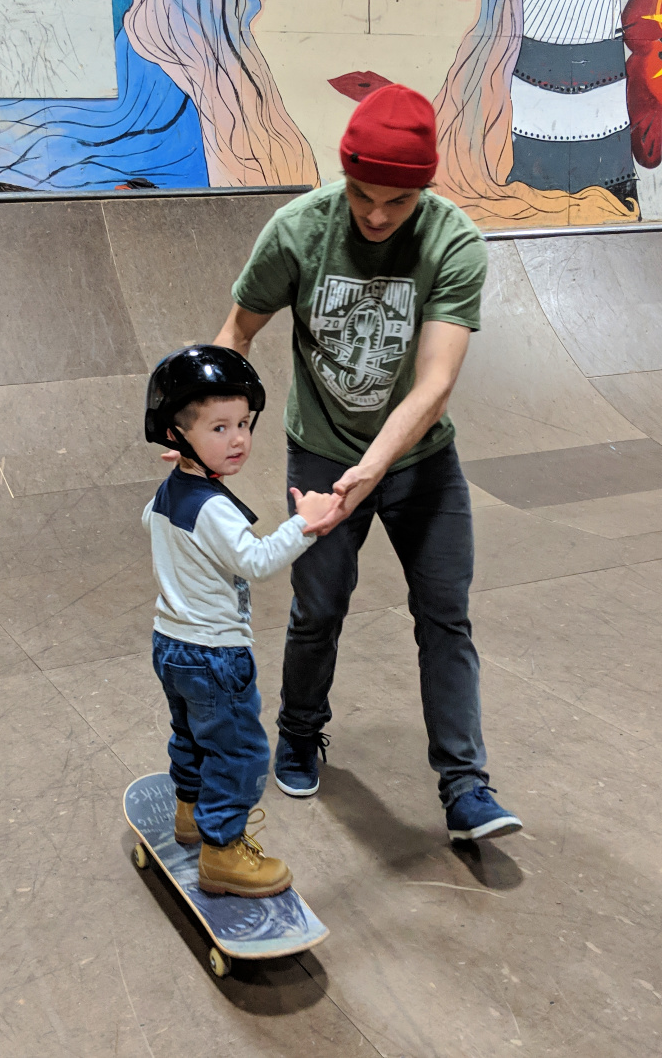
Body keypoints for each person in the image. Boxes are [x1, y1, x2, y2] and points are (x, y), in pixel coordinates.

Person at [213, 83, 522, 842]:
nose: (377, 214)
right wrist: (201, 437)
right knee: (318, 609)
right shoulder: (298, 231)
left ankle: (466, 786)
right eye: (362, 194)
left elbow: (436, 382)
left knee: (445, 615)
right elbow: (235, 334)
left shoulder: (453, 241)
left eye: (397, 200)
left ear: (425, 188)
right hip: (319, 450)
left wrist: (377, 465)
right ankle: (299, 729)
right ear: (343, 175)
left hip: (420, 461)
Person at [143, 345, 338, 896]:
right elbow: (256, 561)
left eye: (244, 424)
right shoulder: (215, 507)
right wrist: (307, 524)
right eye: (219, 427)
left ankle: (188, 815)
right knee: (240, 752)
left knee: (191, 734)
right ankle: (223, 853)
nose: (238, 440)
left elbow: (149, 520)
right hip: (216, 656)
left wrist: (183, 474)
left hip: (170, 644)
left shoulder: (169, 493)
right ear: (178, 437)